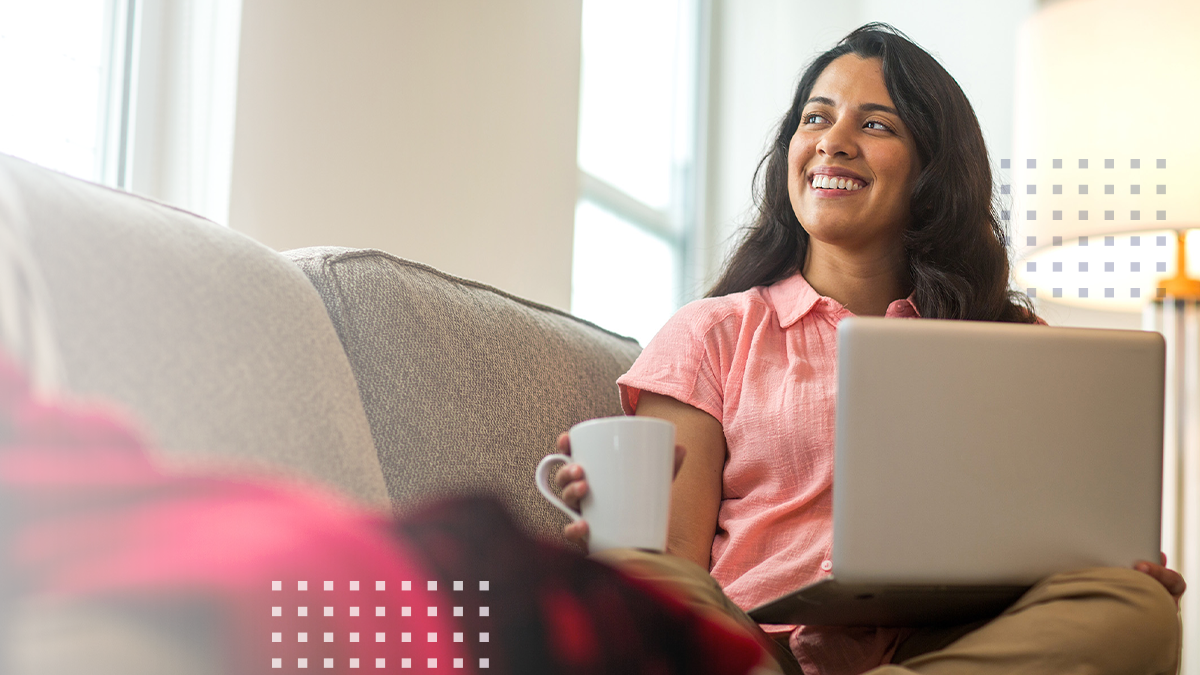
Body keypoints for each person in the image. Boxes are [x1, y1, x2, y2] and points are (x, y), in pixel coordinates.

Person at [554, 23, 1184, 675]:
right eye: (815, 118)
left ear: (932, 168)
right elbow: (669, 574)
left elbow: (1059, 542)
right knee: (636, 573)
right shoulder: (711, 334)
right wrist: (621, 532)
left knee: (1135, 606)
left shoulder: (1011, 341)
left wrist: (1107, 568)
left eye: (876, 125)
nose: (832, 141)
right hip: (758, 649)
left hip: (951, 642)